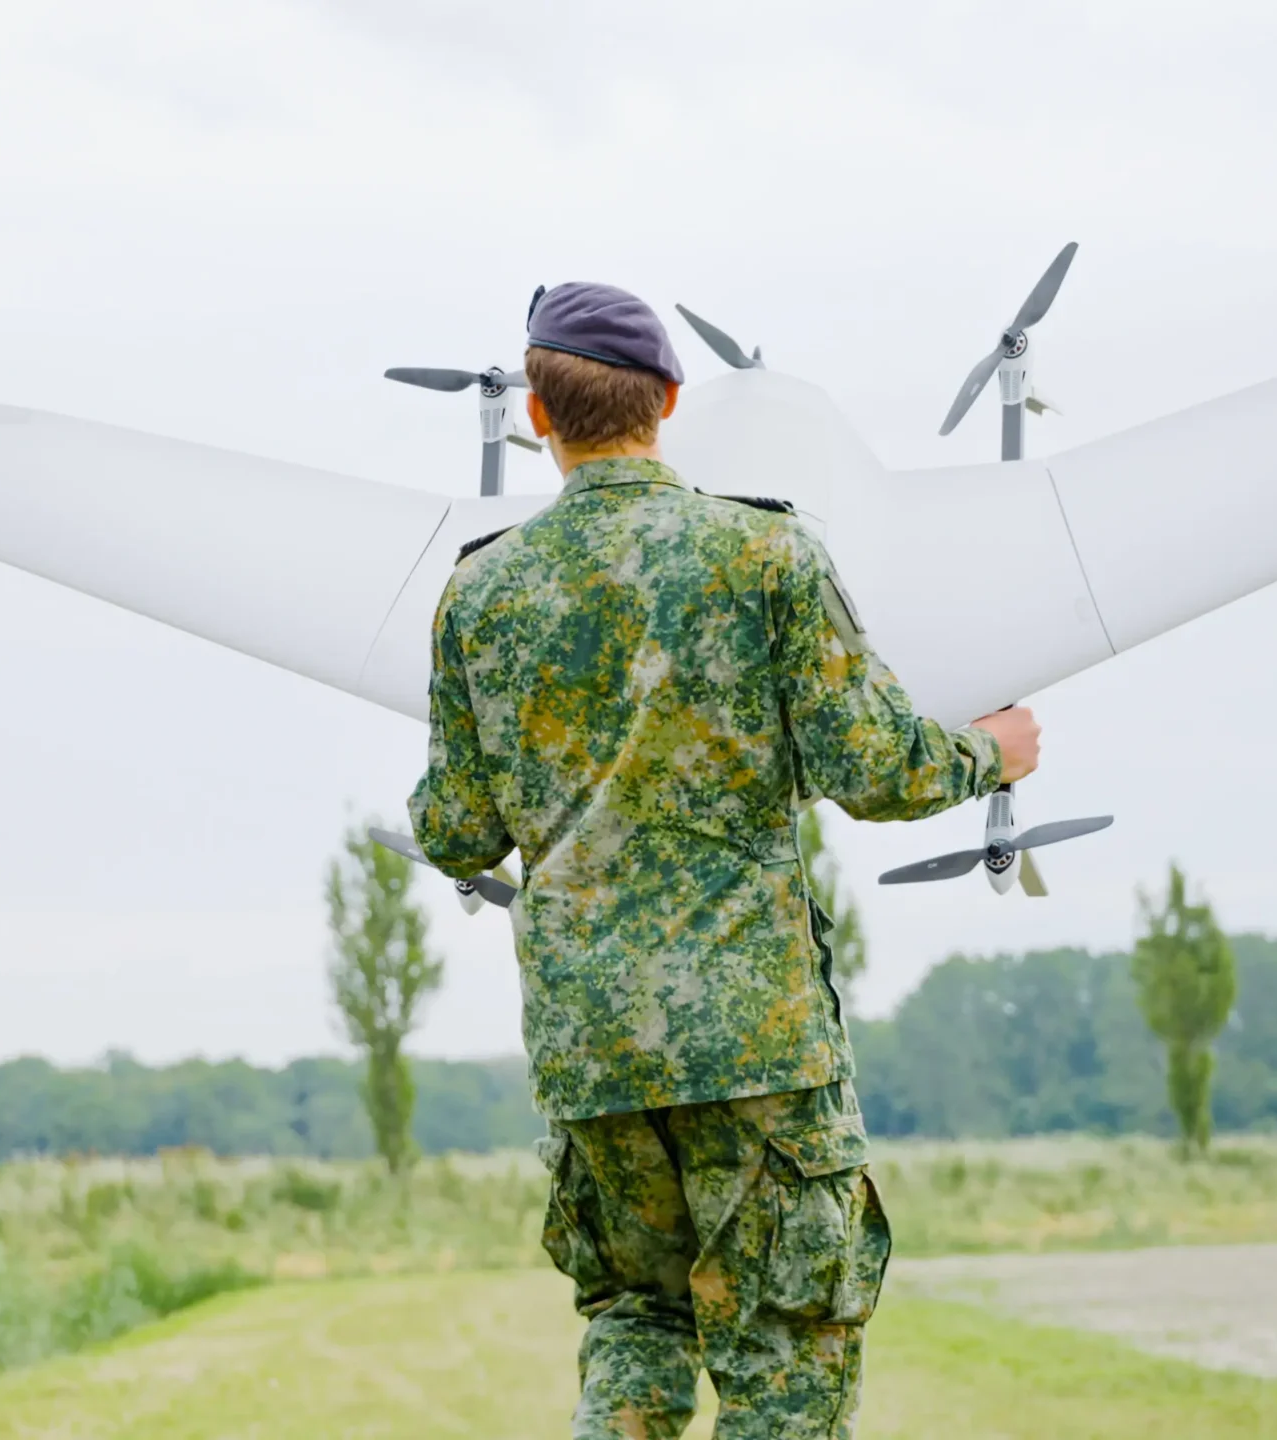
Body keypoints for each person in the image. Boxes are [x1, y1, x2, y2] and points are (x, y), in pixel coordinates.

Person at [406, 281, 1040, 1439]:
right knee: (782, 1354)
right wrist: (988, 753)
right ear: (668, 400)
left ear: (536, 417)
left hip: (591, 1049)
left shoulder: (478, 591)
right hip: (753, 1040)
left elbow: (453, 831)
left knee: (636, 1325)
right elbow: (875, 771)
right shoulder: (764, 554)